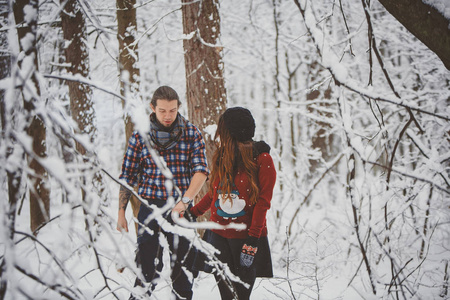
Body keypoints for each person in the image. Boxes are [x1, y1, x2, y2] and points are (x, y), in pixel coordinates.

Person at [116, 86, 209, 300]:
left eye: (172, 110)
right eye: (163, 111)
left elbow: (201, 171)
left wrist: (185, 201)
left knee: (182, 273)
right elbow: (127, 175)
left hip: (181, 208)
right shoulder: (141, 136)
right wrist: (121, 211)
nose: (168, 116)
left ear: (178, 108)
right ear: (153, 108)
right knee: (146, 268)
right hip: (150, 207)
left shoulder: (191, 132)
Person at [188, 107, 277, 300]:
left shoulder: (263, 159)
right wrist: (193, 213)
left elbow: (263, 203)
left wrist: (253, 239)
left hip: (246, 239)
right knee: (227, 296)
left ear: (231, 133)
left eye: (223, 131)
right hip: (218, 236)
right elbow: (214, 194)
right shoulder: (223, 157)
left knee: (241, 296)